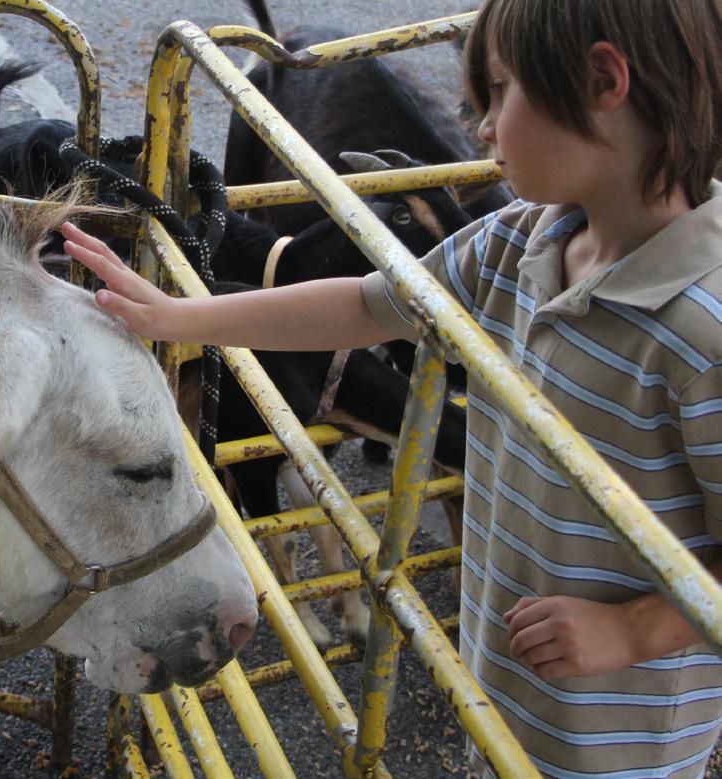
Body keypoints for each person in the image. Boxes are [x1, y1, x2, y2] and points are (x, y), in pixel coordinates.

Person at [61, 0, 722, 776]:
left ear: (604, 82)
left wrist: (636, 630)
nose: (482, 128)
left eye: (501, 92)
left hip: (622, 735)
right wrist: (181, 314)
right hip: (506, 683)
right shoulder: (521, 241)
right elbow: (365, 303)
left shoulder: (702, 331)